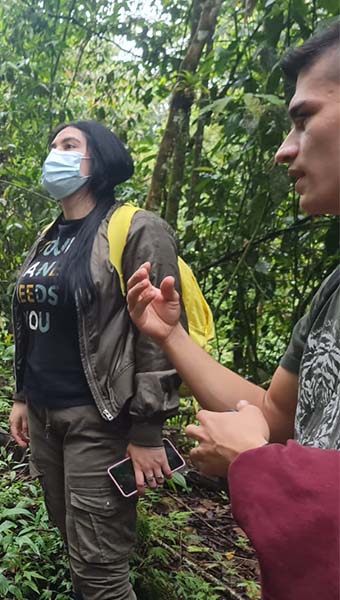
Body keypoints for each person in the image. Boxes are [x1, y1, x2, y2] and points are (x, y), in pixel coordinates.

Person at [125, 21, 340, 599]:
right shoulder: (333, 292)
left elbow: (267, 446)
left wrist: (260, 466)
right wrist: (171, 337)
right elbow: (275, 413)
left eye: (303, 118)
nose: (284, 149)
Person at [8, 121, 183, 600]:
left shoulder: (136, 229)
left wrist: (149, 433)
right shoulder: (51, 235)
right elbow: (33, 323)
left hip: (100, 420)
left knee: (101, 570)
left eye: (69, 146)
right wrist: (22, 394)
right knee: (73, 544)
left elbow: (160, 336)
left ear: (98, 161)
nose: (54, 154)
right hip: (45, 417)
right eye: (52, 145)